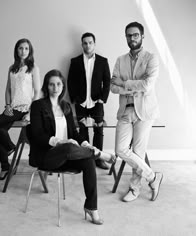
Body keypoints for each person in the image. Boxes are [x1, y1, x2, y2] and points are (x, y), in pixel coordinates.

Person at [27, 69, 116, 225]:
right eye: (51, 84)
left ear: (63, 86)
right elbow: (37, 135)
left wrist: (86, 144)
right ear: (46, 87)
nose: (55, 88)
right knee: (68, 147)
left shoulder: (66, 106)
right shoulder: (37, 106)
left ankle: (91, 208)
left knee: (87, 161)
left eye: (58, 84)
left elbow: (74, 134)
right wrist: (61, 142)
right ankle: (99, 154)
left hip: (67, 155)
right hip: (47, 157)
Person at [110, 22, 163, 202]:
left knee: (138, 152)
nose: (132, 38)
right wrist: (133, 86)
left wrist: (124, 83)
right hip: (125, 110)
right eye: (128, 35)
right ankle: (153, 177)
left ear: (142, 36)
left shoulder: (151, 58)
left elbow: (147, 86)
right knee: (121, 149)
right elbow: (112, 87)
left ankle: (134, 188)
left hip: (145, 112)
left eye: (135, 35)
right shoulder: (120, 60)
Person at [0, 38, 41, 181]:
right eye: (20, 48)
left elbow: (37, 92)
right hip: (12, 108)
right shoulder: (12, 68)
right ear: (16, 50)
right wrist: (7, 106)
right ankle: (6, 166)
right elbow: (7, 90)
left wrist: (31, 113)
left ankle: (10, 149)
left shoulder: (33, 68)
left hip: (25, 109)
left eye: (26, 48)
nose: (23, 51)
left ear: (29, 50)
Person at [67, 32, 111, 170]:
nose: (88, 45)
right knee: (82, 131)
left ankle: (98, 159)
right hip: (81, 103)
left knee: (98, 130)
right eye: (85, 43)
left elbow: (107, 82)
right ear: (82, 45)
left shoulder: (103, 61)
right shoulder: (75, 61)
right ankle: (86, 159)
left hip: (96, 102)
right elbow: (70, 81)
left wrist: (102, 99)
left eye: (90, 42)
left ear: (94, 43)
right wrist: (74, 99)